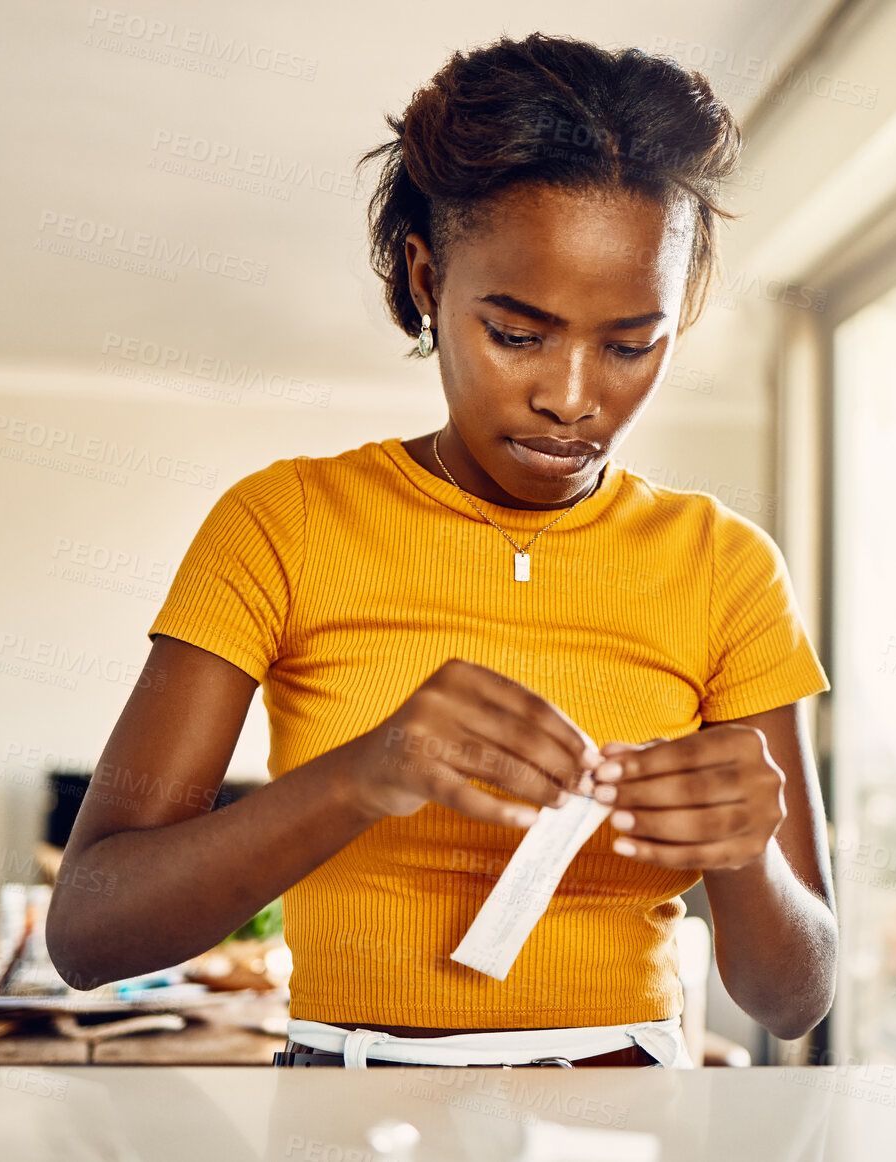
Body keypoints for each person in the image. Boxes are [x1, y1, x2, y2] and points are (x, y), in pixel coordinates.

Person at [45, 31, 837, 1070]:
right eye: (516, 333)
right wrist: (363, 775)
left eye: (630, 343)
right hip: (348, 1111)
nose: (569, 395)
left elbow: (795, 997)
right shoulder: (282, 524)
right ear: (427, 278)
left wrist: (743, 859)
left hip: (630, 1114)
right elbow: (88, 935)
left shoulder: (725, 565)